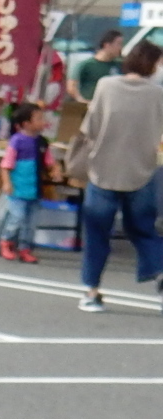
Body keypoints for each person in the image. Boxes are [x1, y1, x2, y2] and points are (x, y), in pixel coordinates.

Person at [65, 36, 163, 312]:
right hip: (141, 171)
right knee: (143, 229)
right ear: (153, 64)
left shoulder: (106, 86)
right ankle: (160, 270)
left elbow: (90, 127)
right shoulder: (158, 93)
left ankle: (91, 291)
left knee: (97, 232)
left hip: (103, 170)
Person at [0, 103, 48, 264]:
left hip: (35, 188)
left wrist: (55, 170)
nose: (43, 122)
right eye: (39, 119)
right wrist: (7, 183)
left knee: (31, 223)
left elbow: (48, 159)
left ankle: (25, 249)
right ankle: (6, 241)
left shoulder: (42, 142)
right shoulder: (16, 141)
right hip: (18, 188)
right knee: (16, 218)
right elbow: (6, 164)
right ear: (26, 123)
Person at [72, 29, 123, 104]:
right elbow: (72, 85)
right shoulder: (87, 65)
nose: (120, 48)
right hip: (91, 105)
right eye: (118, 44)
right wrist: (81, 100)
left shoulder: (119, 65)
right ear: (107, 45)